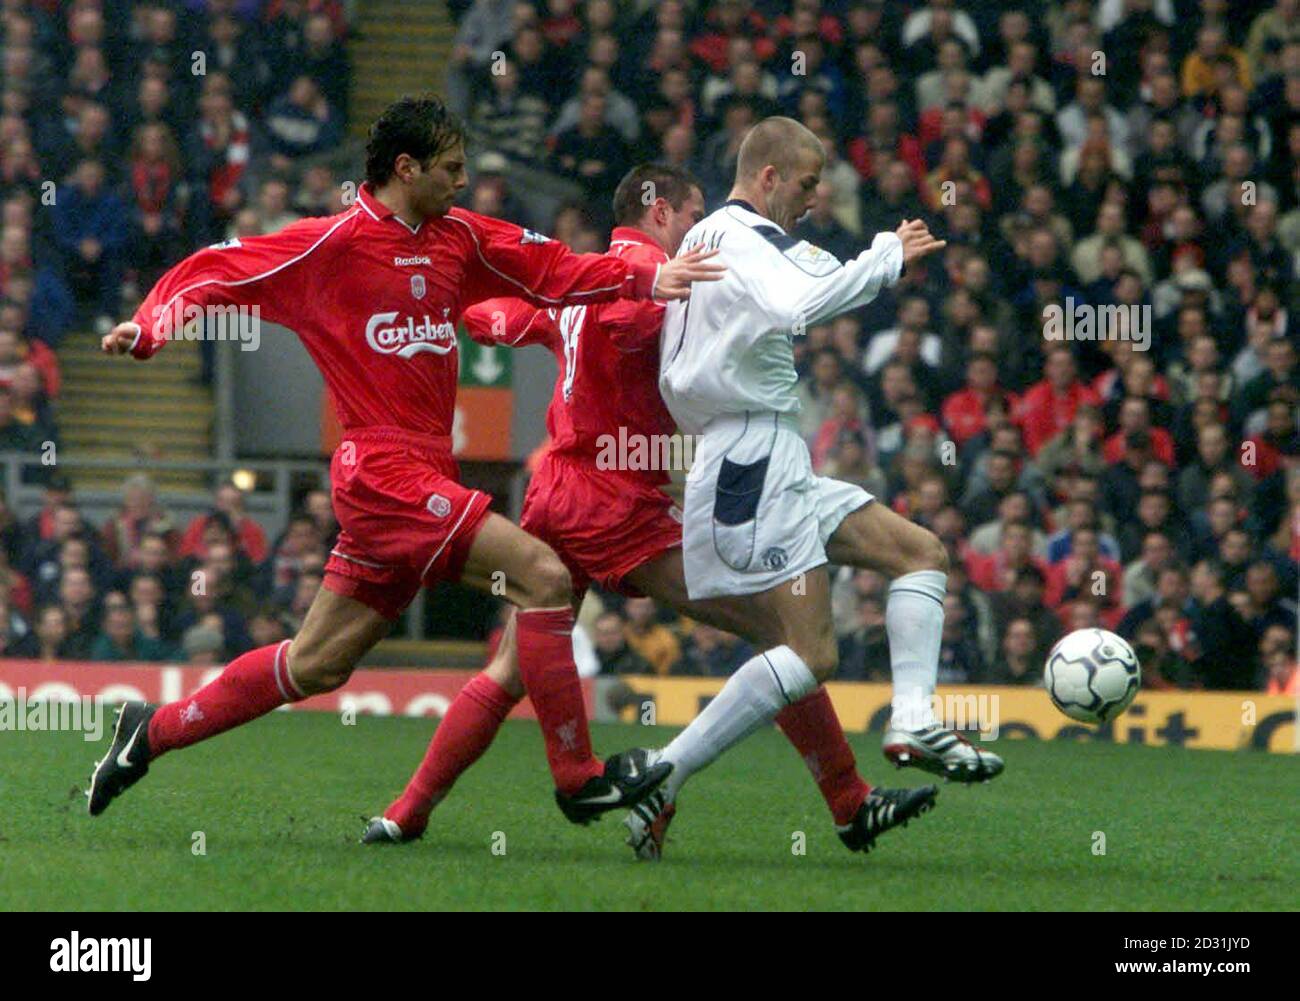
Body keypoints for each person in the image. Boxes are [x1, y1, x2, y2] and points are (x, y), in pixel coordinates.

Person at [85, 95, 725, 827]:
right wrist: (151, 325)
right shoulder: (329, 245)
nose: (462, 182)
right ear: (405, 167)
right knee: (544, 576)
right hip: (381, 470)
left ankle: (148, 733)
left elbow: (548, 267)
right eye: (450, 168)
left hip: (424, 473)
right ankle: (577, 778)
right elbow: (216, 268)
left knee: (315, 664)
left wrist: (644, 279)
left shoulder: (459, 237)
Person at [364, 164, 890, 855]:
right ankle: (832, 797)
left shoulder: (576, 275)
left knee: (510, 670)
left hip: (556, 486)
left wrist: (459, 311)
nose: (704, 231)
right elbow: (634, 320)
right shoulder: (652, 281)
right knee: (782, 634)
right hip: (612, 505)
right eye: (697, 214)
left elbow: (502, 317)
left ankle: (407, 811)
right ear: (661, 211)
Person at [645, 116, 1003, 857]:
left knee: (920, 552)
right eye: (806, 183)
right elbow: (798, 303)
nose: (813, 198)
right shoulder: (743, 235)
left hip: (762, 451)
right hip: (750, 456)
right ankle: (663, 771)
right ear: (770, 176)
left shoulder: (707, 238)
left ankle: (910, 719)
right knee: (809, 655)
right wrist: (885, 254)